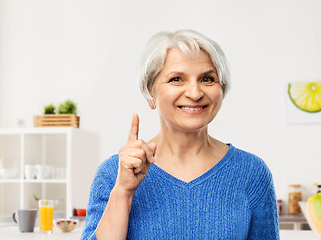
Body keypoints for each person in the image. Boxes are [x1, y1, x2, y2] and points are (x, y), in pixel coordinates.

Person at [80, 30, 279, 240]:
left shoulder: (252, 173)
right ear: (150, 92)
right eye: (176, 79)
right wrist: (122, 193)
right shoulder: (114, 174)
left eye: (207, 79)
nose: (195, 93)